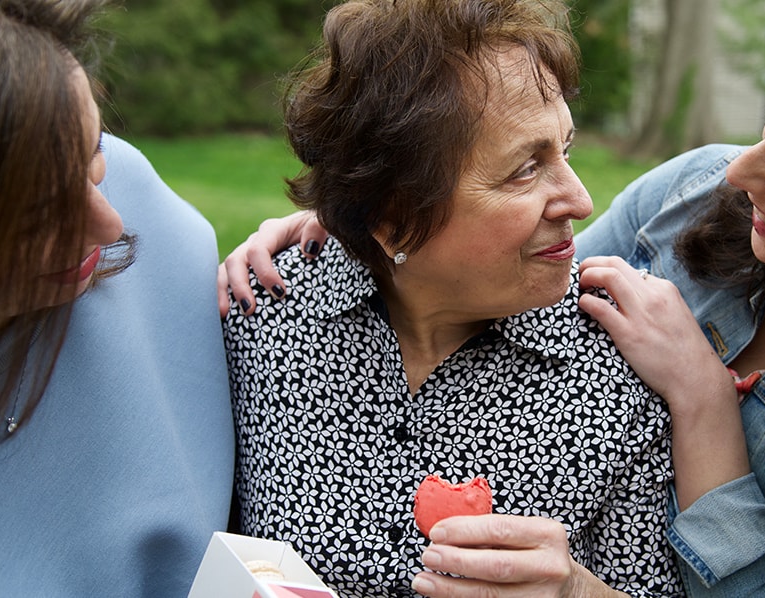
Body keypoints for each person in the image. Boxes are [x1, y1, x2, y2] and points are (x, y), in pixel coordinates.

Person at [224, 0, 765, 596]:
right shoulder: (692, 197)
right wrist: (360, 216)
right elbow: (506, 250)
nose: (734, 173)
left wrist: (699, 401)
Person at [221, 0, 680, 596]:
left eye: (565, 150)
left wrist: (578, 591)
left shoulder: (615, 370)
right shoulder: (263, 316)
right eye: (524, 169)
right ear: (392, 217)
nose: (579, 199)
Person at [0, 0, 233, 595]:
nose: (110, 225)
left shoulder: (153, 221)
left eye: (93, 153)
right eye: (35, 211)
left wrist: (346, 238)